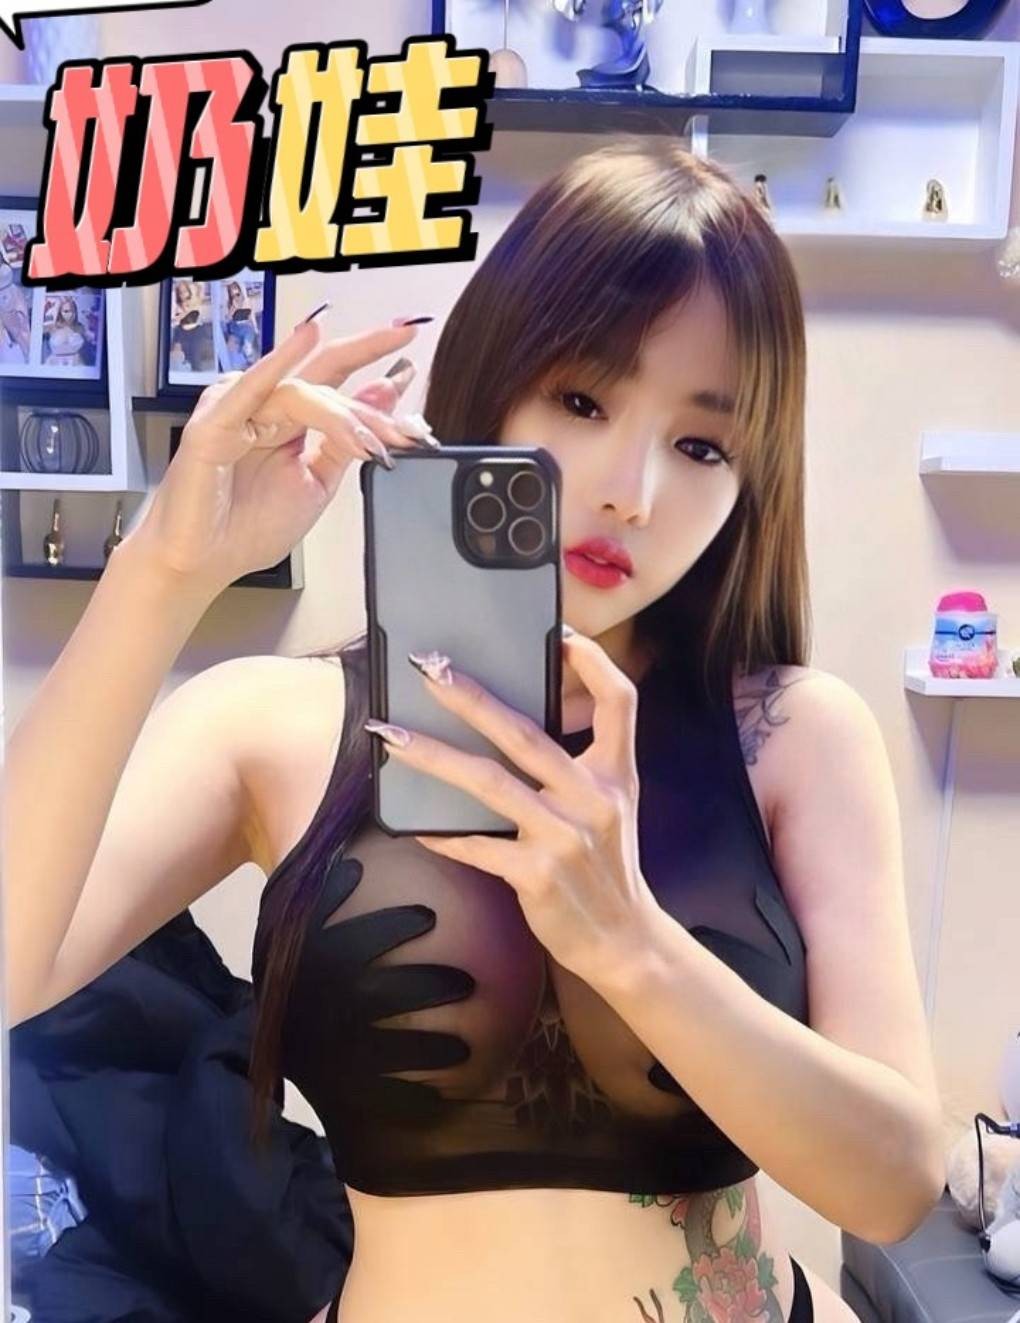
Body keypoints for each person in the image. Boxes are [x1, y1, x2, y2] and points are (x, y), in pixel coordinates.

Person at [5, 136, 946, 1323]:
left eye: (701, 444)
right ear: (495, 375)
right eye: (584, 399)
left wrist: (634, 947)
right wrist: (164, 570)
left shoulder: (793, 738)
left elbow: (893, 1188)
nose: (632, 490)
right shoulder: (275, 727)